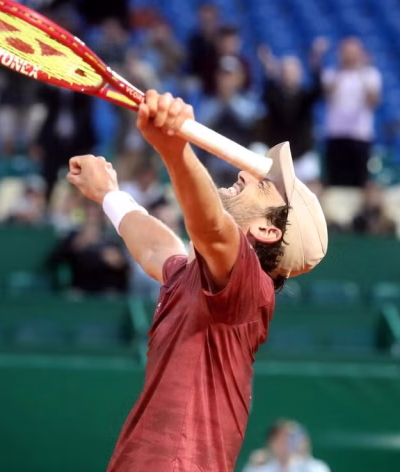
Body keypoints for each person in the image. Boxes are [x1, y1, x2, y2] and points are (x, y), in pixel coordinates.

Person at [65, 89, 328, 471]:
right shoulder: (198, 277)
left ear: (267, 231)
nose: (244, 173)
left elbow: (213, 230)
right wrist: (109, 195)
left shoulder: (250, 284)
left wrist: (174, 149)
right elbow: (158, 250)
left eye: (263, 184)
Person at [258, 38, 327, 184]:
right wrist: (269, 72)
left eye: (292, 71)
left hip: (302, 155)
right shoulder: (275, 97)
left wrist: (316, 65)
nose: (289, 75)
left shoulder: (304, 97)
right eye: (285, 71)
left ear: (299, 74)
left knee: (311, 181)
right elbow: (267, 96)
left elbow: (318, 91)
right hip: (278, 154)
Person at [322, 36, 382, 187]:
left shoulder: (370, 74)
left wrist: (361, 72)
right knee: (334, 183)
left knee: (360, 182)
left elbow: (373, 101)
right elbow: (328, 95)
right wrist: (341, 71)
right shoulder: (331, 74)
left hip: (359, 135)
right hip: (336, 135)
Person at [198, 56, 260, 186]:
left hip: (242, 163)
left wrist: (230, 100)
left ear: (238, 78)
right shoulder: (209, 102)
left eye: (230, 75)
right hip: (216, 163)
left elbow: (251, 122)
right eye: (223, 75)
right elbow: (201, 126)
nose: (226, 80)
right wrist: (221, 102)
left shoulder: (247, 101)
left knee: (260, 149)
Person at [48, 202, 129, 295]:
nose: (92, 215)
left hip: (105, 288)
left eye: (95, 213)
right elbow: (53, 260)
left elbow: (125, 267)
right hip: (79, 287)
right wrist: (74, 246)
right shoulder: (74, 236)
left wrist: (119, 262)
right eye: (89, 212)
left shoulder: (111, 239)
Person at [244, 420, 331, 472]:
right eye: (278, 440)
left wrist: (305, 456)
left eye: (288, 439)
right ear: (271, 443)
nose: (283, 444)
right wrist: (252, 465)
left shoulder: (315, 467)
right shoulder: (261, 467)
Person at [185, 2, 221, 92]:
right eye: (204, 21)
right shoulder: (194, 40)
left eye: (210, 20)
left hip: (221, 78)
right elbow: (191, 66)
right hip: (201, 81)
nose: (207, 24)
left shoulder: (222, 38)